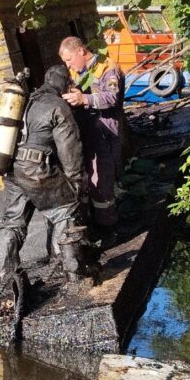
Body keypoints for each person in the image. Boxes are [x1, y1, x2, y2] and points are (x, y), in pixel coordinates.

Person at [0, 65, 90, 279]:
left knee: (13, 221)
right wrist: (75, 182)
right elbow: (70, 148)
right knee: (65, 209)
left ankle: (5, 275)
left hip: (11, 167)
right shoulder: (58, 106)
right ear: (65, 84)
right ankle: (67, 267)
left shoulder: (26, 100)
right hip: (36, 168)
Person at [58, 36, 125, 238]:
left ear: (81, 51)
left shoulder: (107, 68)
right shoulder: (74, 72)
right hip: (84, 132)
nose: (68, 65)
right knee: (84, 181)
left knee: (101, 182)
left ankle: (108, 230)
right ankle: (91, 226)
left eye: (69, 60)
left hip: (105, 130)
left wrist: (83, 98)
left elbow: (112, 98)